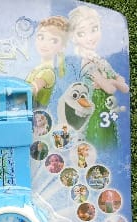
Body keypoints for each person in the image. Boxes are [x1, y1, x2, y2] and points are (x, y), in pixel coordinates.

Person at [69, 6, 129, 149]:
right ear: (74, 37)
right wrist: (112, 82)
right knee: (97, 146)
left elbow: (125, 87)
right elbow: (110, 89)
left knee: (108, 145)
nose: (90, 38)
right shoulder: (88, 64)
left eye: (94, 29)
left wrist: (111, 82)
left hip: (105, 113)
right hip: (93, 117)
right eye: (82, 33)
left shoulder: (101, 61)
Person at [26, 16, 69, 108]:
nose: (44, 44)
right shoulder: (39, 68)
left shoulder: (47, 72)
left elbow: (29, 91)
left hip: (34, 113)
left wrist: (8, 93)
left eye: (53, 40)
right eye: (41, 37)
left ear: (62, 47)